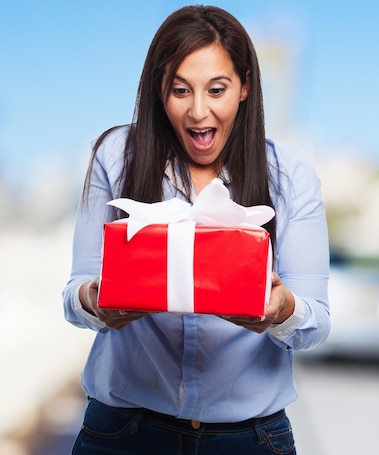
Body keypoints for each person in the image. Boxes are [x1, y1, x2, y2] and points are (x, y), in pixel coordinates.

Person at [62, 5, 330, 454]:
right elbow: (74, 295)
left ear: (245, 86)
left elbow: (316, 320)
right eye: (180, 90)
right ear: (158, 90)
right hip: (122, 433)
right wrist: (96, 299)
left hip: (249, 439)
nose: (198, 111)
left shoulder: (289, 173)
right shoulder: (115, 155)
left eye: (217, 89)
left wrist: (280, 309)